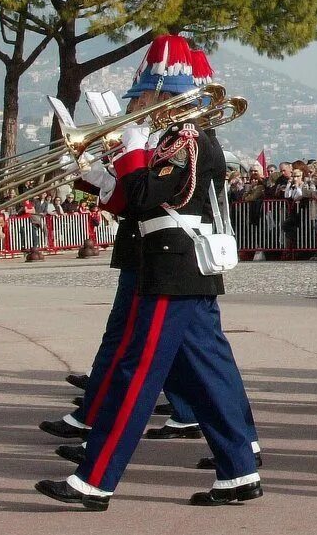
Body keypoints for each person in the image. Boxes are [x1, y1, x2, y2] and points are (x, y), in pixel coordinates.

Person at [37, 35, 267, 510]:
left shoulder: (188, 142)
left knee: (135, 373)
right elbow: (128, 201)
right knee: (210, 373)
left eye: (141, 98)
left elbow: (145, 197)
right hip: (166, 268)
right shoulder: (166, 140)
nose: (135, 106)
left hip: (173, 271)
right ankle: (240, 471)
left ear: (163, 98)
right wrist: (99, 172)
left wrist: (131, 151)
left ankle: (95, 480)